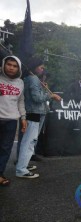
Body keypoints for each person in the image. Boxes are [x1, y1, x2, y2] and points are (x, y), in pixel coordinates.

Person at [16, 57, 61, 179]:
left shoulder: (29, 79)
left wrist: (43, 89)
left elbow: (35, 95)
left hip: (33, 112)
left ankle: (23, 165)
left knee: (30, 141)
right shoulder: (34, 79)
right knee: (29, 142)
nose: (43, 69)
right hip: (34, 113)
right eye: (41, 67)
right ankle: (21, 169)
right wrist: (50, 95)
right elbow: (37, 99)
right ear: (35, 66)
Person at [0, 56, 27, 186]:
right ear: (4, 65)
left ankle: (0, 174)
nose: (11, 67)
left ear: (19, 68)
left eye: (15, 66)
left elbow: (20, 102)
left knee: (5, 149)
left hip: (11, 121)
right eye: (9, 64)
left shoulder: (20, 83)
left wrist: (23, 118)